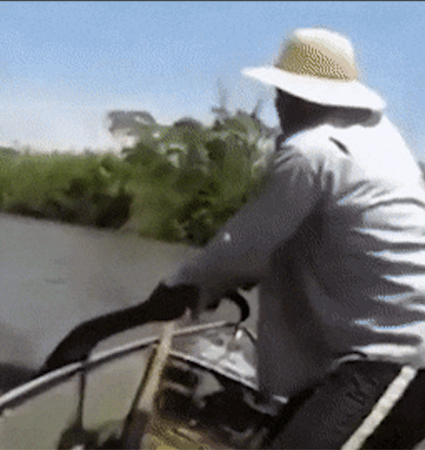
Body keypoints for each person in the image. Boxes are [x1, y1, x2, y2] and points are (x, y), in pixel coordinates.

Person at [144, 27, 425, 448]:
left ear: (300, 97)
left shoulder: (312, 150)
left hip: (397, 357)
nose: (278, 104)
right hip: (363, 359)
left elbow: (247, 246)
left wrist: (181, 286)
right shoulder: (377, 136)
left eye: (283, 94)